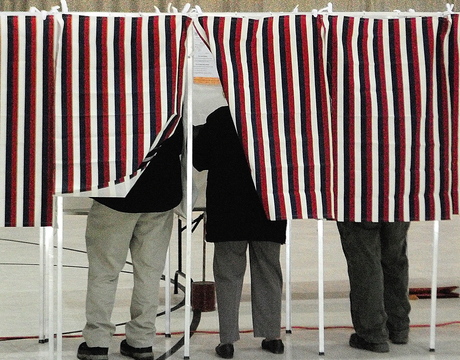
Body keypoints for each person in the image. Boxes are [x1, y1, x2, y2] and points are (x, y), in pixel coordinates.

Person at [77, 123, 183, 360]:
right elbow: (180, 142)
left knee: (104, 271)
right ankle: (141, 342)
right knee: (149, 273)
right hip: (161, 193)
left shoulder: (112, 94)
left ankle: (97, 342)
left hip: (117, 193)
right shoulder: (173, 95)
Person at [193, 106, 287, 359]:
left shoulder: (220, 117)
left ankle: (227, 341)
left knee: (227, 275)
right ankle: (272, 336)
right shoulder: (276, 115)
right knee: (269, 271)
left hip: (228, 209)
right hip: (269, 207)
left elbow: (199, 160)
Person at [336, 221, 411, 353]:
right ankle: (398, 327)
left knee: (365, 261)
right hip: (398, 203)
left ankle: (372, 333)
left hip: (360, 204)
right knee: (394, 258)